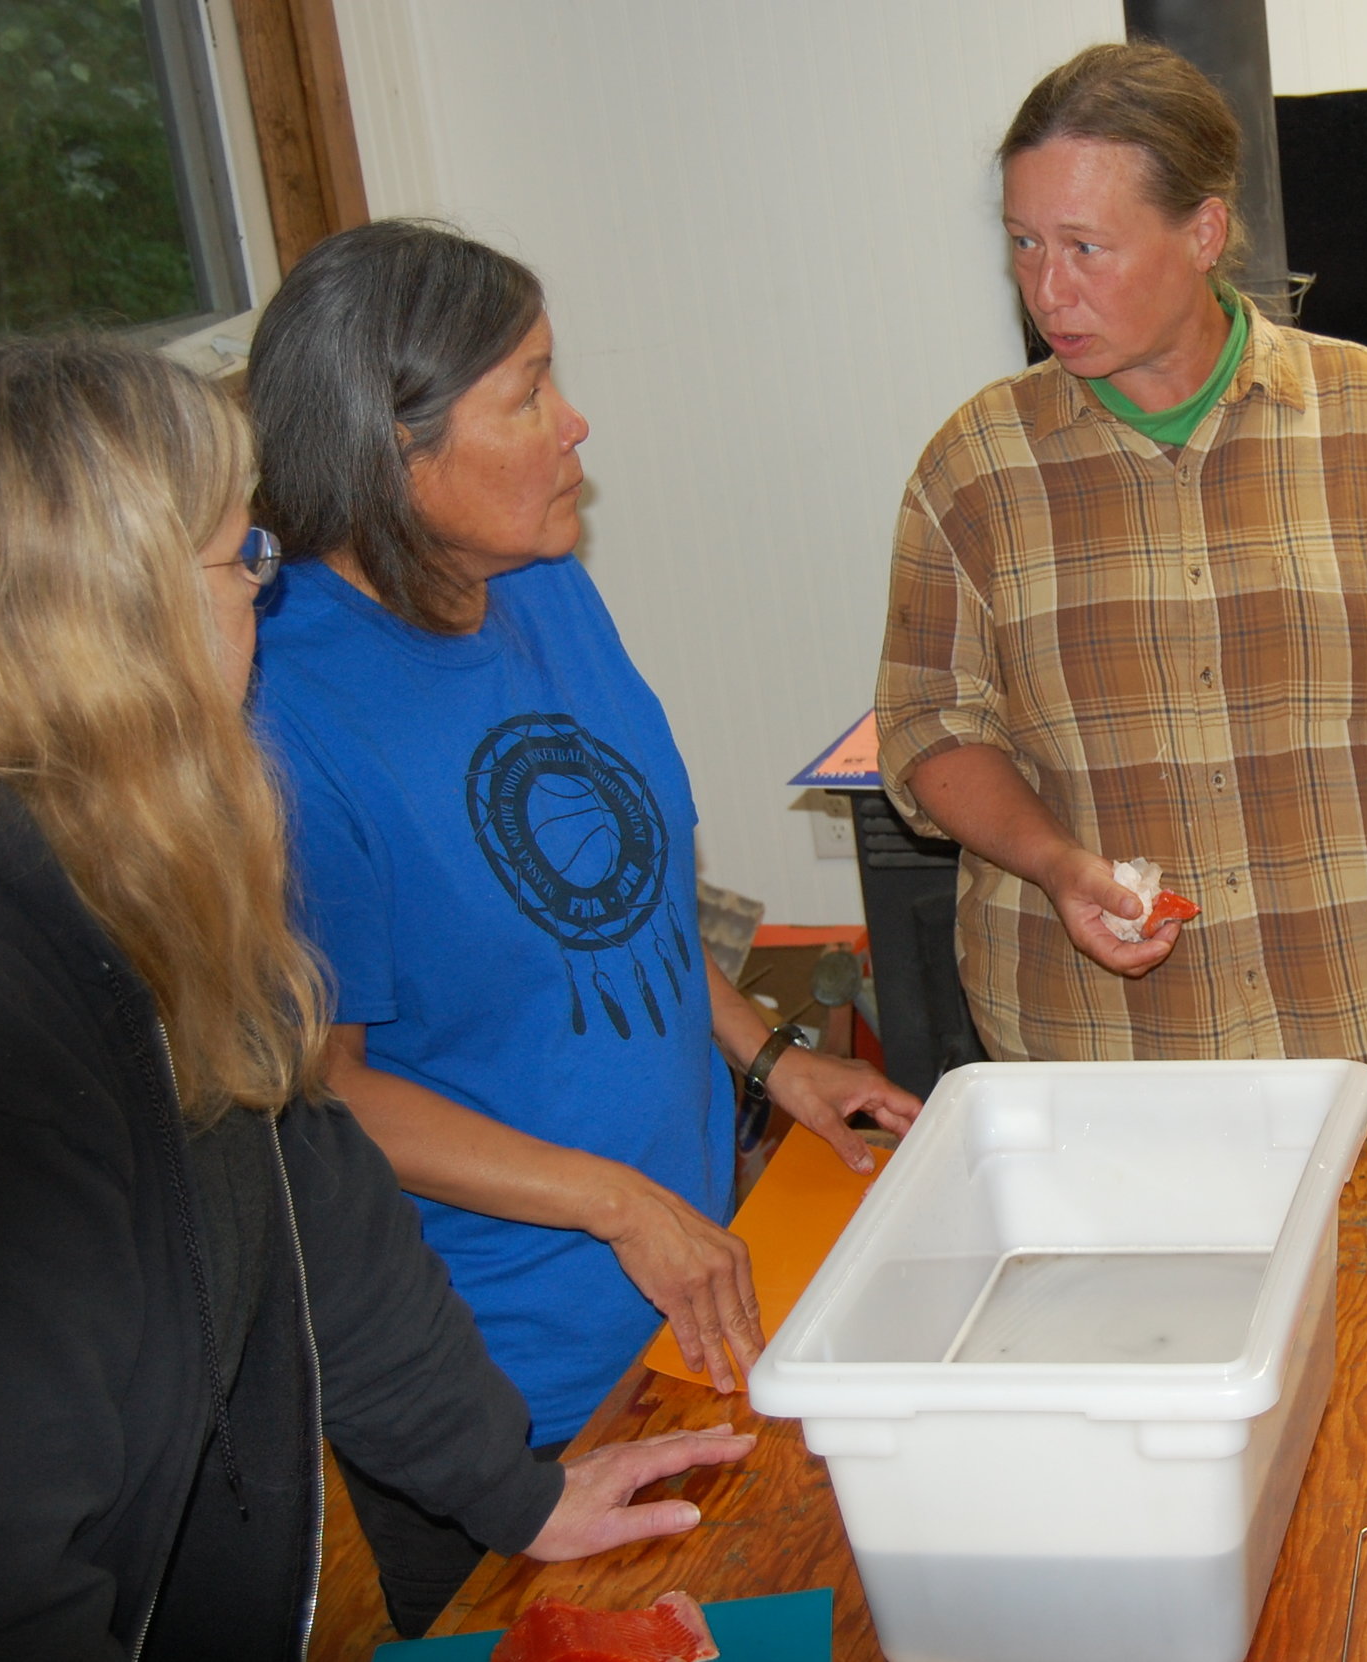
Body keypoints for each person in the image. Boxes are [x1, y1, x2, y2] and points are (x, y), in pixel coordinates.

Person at [0, 335, 758, 1659]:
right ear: (115, 615)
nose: (262, 601)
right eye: (237, 561)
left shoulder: (163, 881)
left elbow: (319, 1216)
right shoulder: (0, 1023)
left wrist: (517, 1489)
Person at [243, 220, 922, 1635]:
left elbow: (624, 895)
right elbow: (326, 1089)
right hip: (510, 1391)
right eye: (529, 391)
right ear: (392, 445)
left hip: (694, 1293)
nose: (576, 424)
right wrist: (615, 1199)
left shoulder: (542, 580)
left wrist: (770, 1055)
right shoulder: (288, 711)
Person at [875, 43, 1367, 1131]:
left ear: (1202, 234)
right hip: (1100, 1076)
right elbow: (927, 728)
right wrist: (1057, 863)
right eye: (1022, 243)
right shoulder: (974, 469)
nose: (1047, 289)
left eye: (1085, 248)